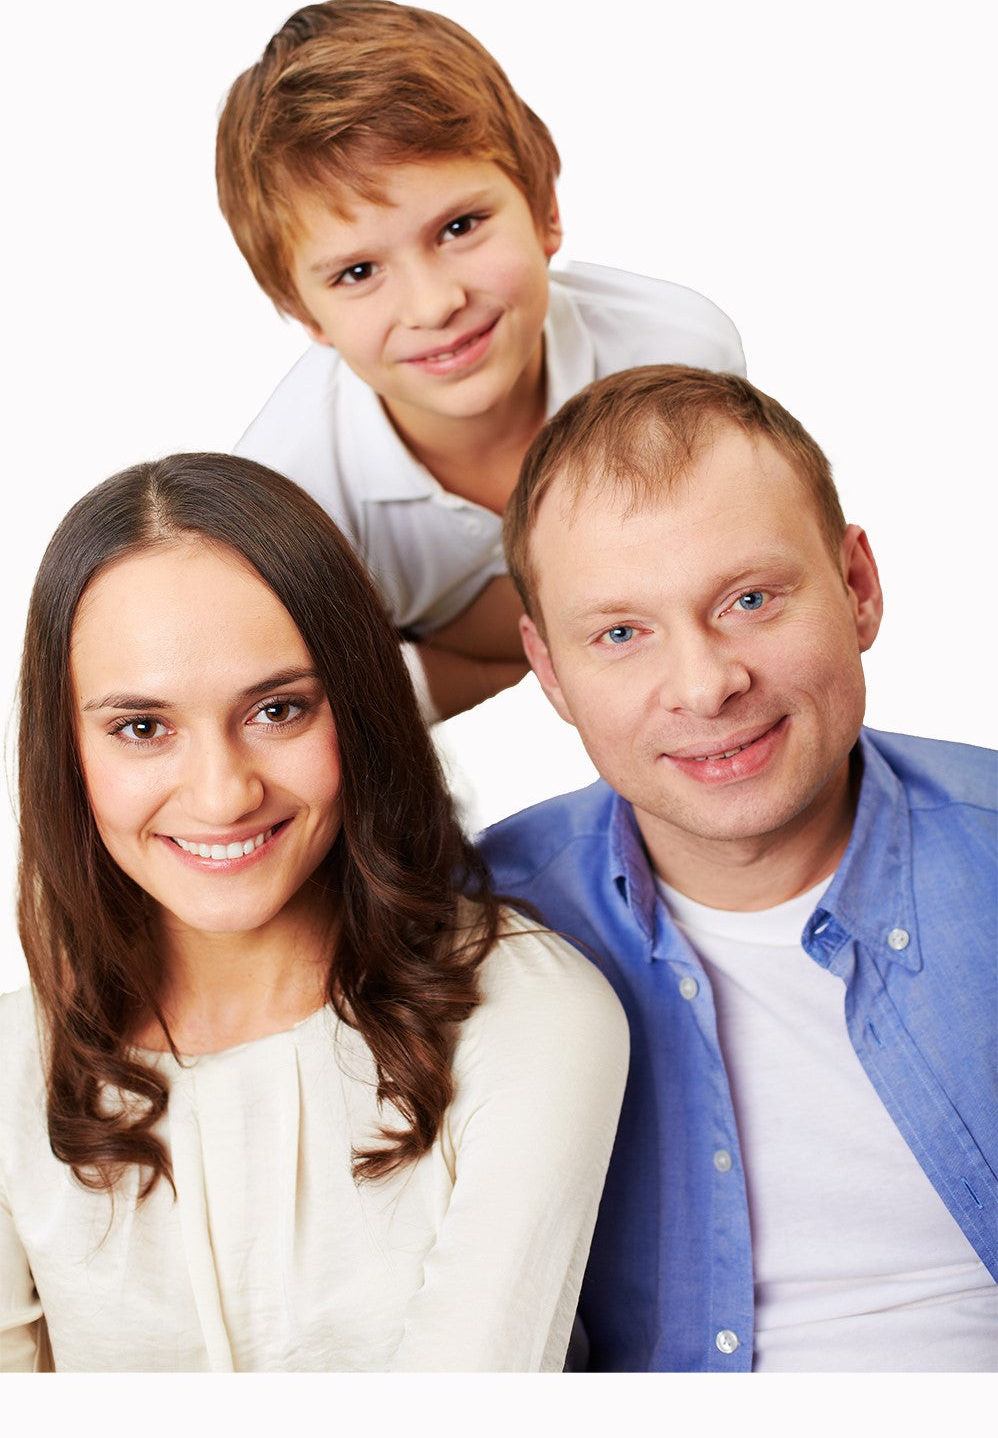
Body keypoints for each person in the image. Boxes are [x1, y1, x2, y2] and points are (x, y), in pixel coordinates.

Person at [0, 452, 628, 1373]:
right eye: (143, 727)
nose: (221, 795)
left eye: (279, 709)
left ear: (359, 704)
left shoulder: (528, 1013)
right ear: (67, 748)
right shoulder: (19, 1059)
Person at [480, 364, 998, 1373]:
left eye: (750, 599)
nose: (706, 684)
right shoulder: (478, 933)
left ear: (855, 589)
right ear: (548, 673)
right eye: (620, 633)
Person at [215, 0, 745, 722]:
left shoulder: (675, 354)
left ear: (544, 209)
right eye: (358, 273)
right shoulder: (289, 498)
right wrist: (511, 664)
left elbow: (726, 575)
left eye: (460, 227)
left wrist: (485, 642)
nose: (434, 305)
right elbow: (318, 708)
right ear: (306, 313)